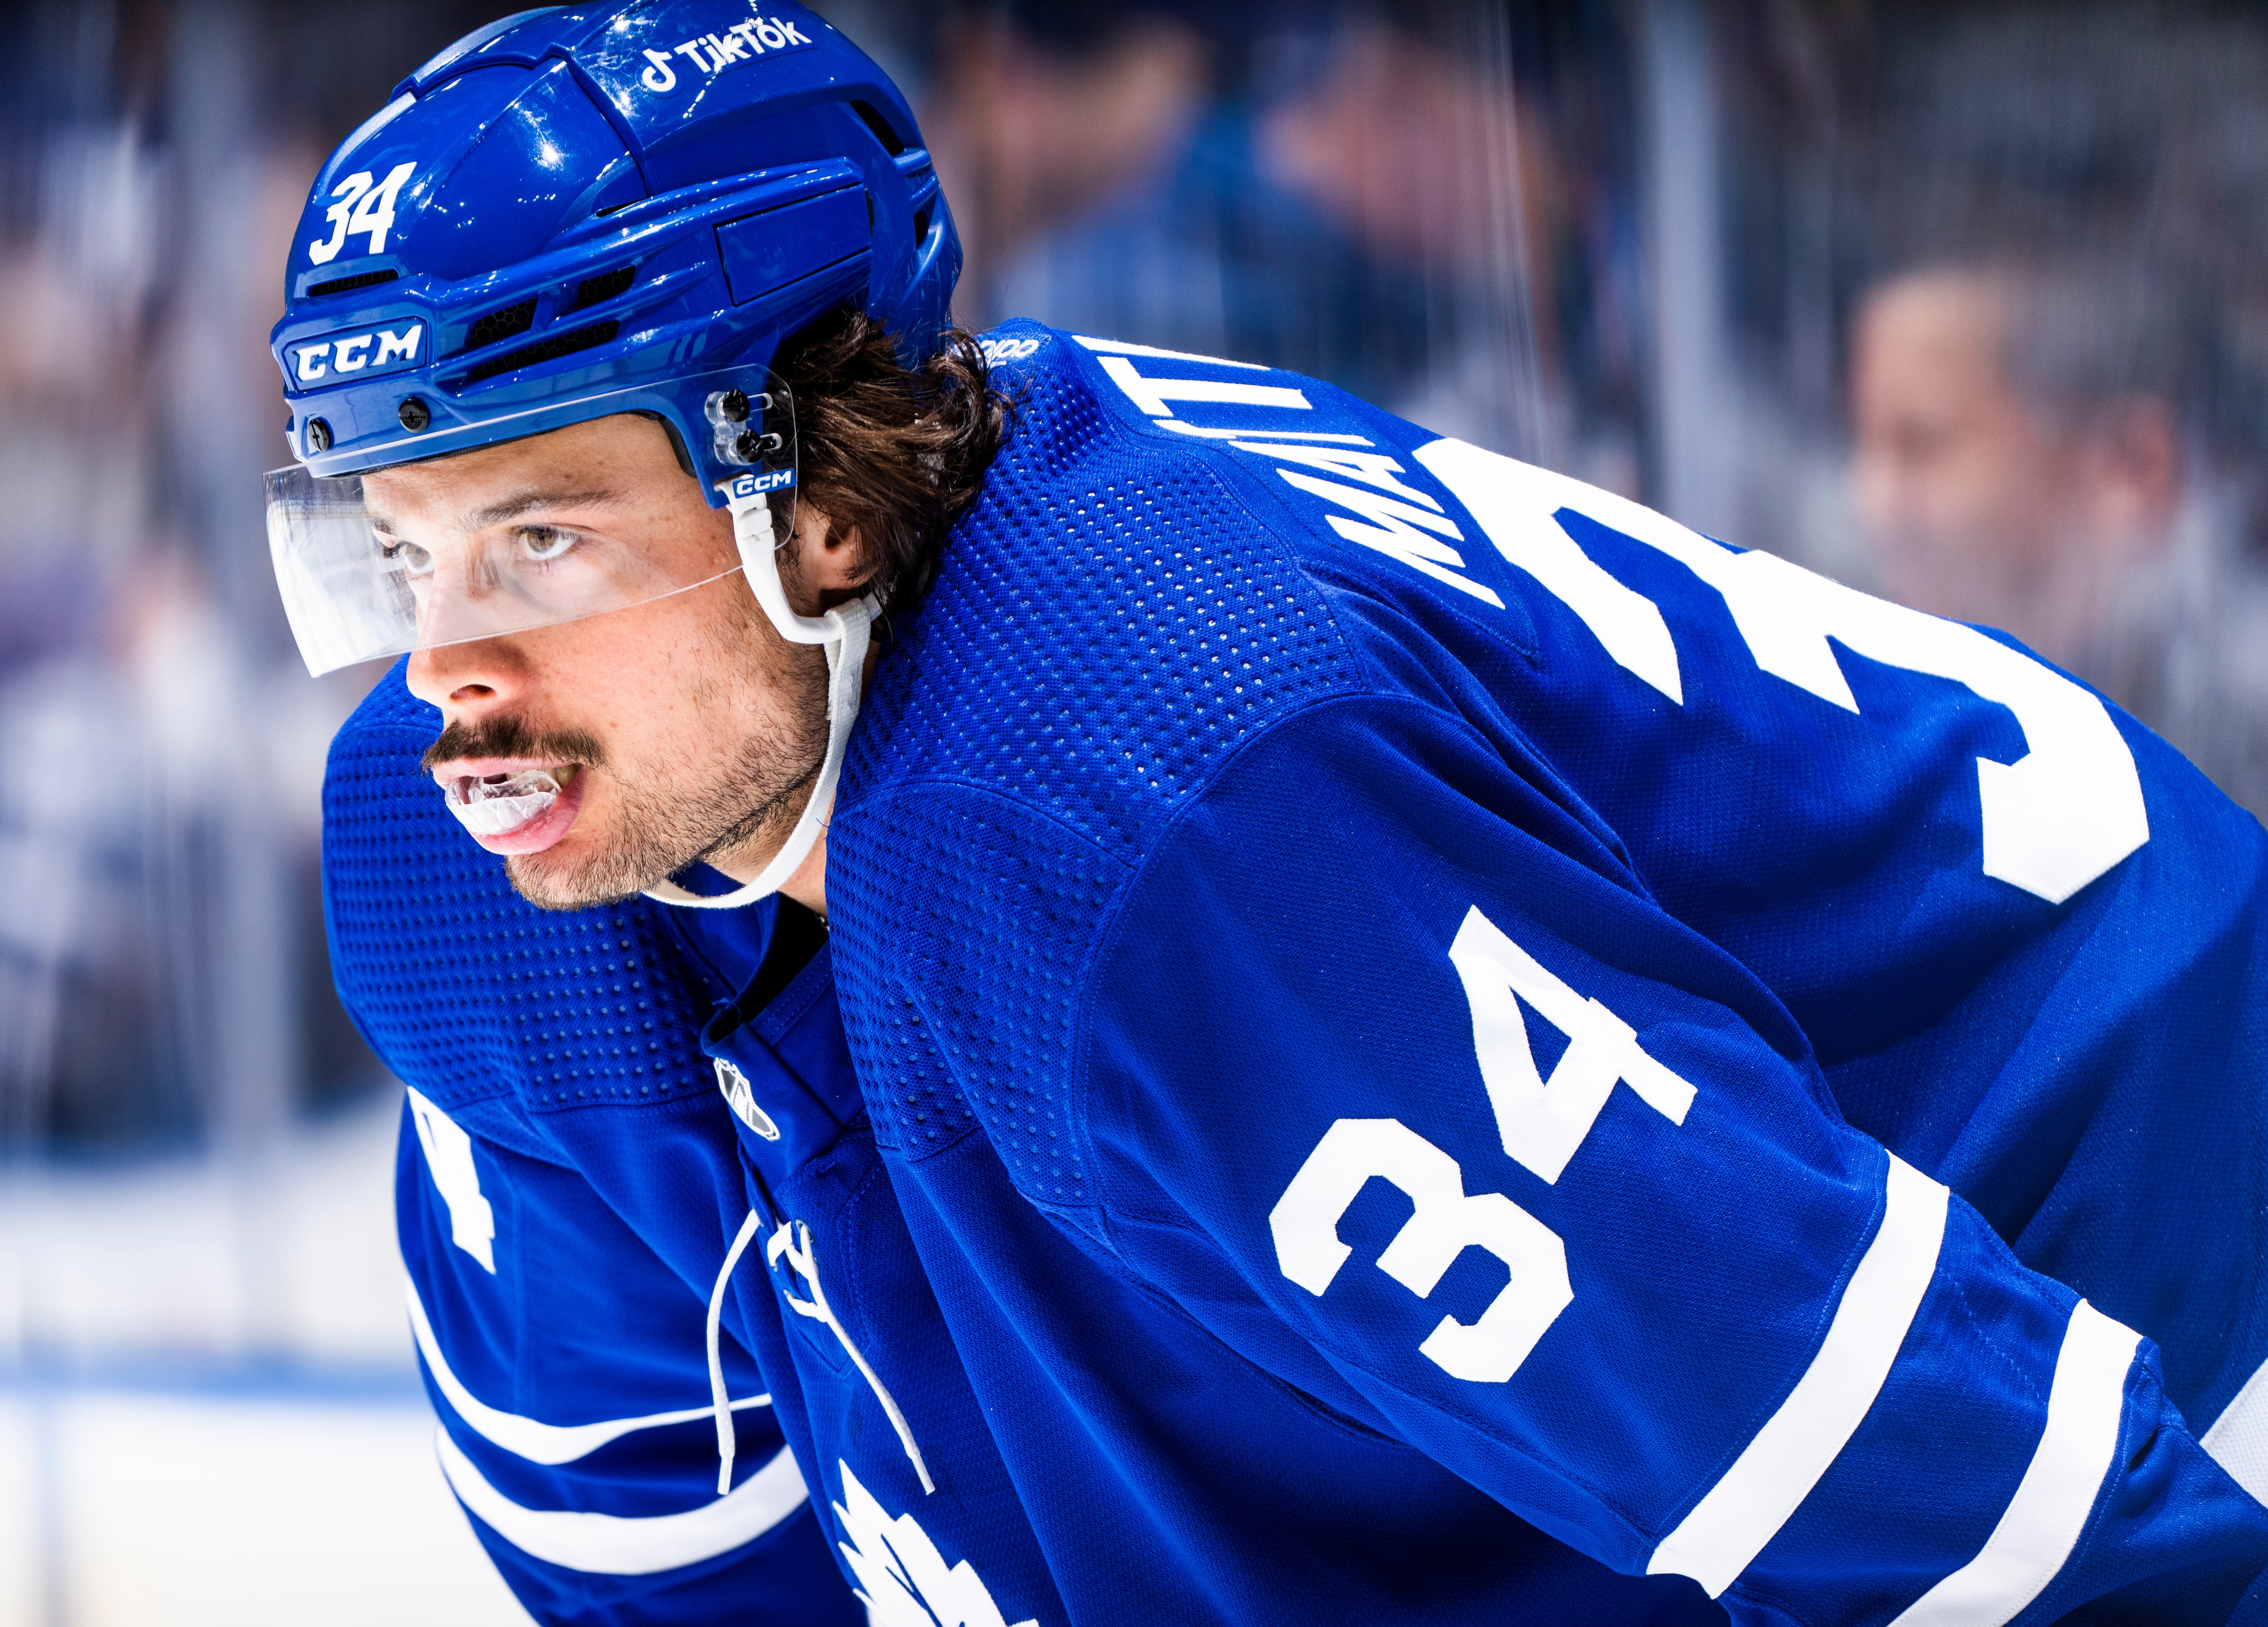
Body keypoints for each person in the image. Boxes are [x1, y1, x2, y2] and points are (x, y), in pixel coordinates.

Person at [275, 6, 2268, 1623]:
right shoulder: (477, 874)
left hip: (2134, 1214)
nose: (447, 669)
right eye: (397, 545)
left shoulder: (1144, 817)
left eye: (541, 537)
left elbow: (1949, 1490)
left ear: (813, 497)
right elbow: (686, 1557)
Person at [1849, 260, 2268, 819]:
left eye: (1922, 444)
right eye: (1861, 440)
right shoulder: (1923, 710)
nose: (1869, 502)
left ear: (2131, 467)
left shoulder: (2230, 742)